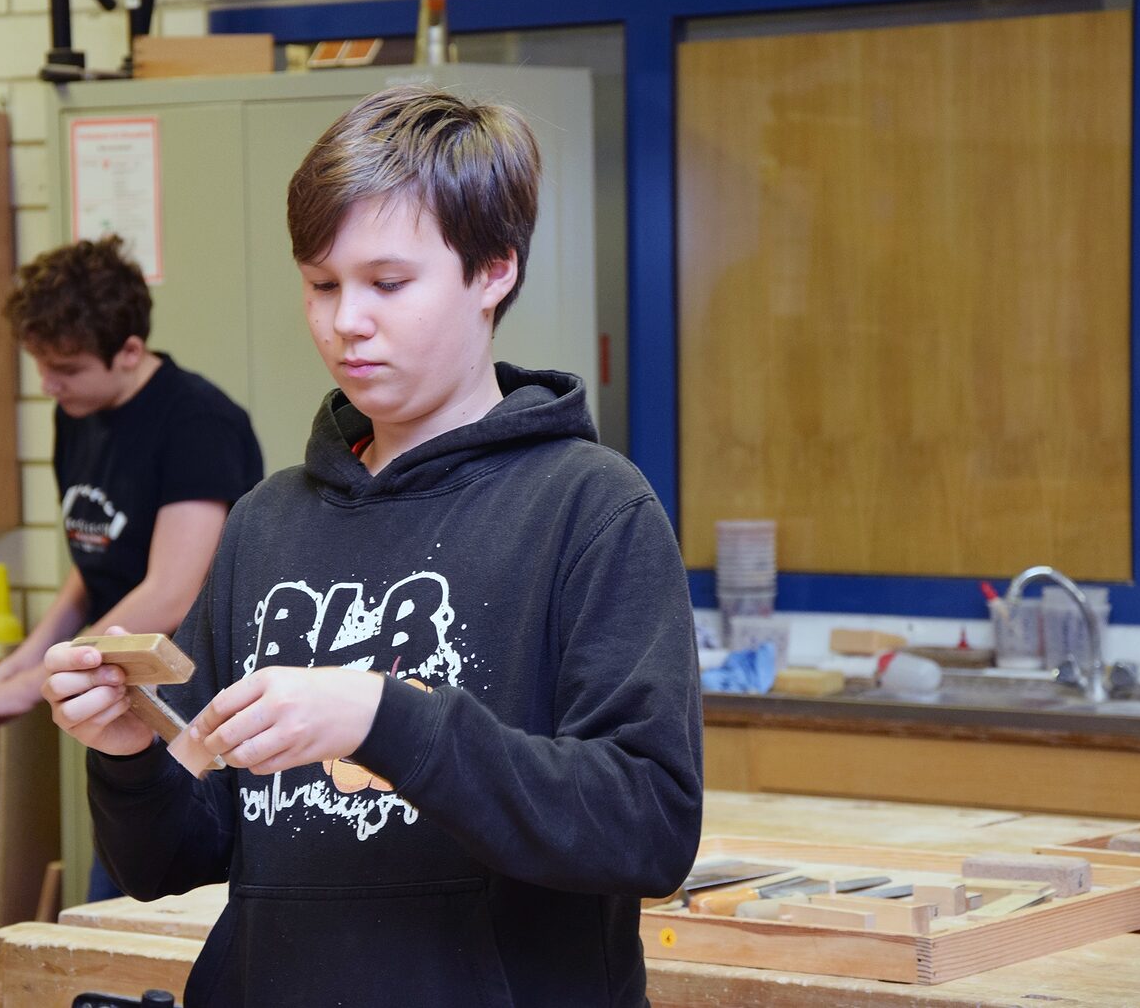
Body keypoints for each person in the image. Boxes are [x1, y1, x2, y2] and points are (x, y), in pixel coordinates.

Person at [41, 87, 702, 1006]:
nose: (345, 320)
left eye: (388, 284)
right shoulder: (267, 524)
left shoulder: (591, 510)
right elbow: (171, 858)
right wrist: (123, 751)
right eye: (322, 283)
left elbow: (648, 829)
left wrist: (387, 721)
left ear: (493, 271)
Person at [0, 235, 263, 895]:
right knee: (113, 886)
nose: (48, 383)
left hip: (189, 706)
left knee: (151, 900)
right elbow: (94, 556)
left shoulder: (198, 422)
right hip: (115, 694)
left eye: (64, 367)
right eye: (39, 364)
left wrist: (33, 681)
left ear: (128, 352)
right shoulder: (80, 410)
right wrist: (29, 653)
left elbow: (171, 591)